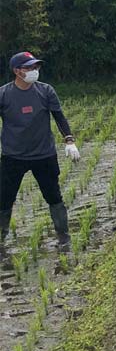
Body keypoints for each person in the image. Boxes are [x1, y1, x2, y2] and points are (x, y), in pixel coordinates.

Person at [0, 52, 81, 252]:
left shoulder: (46, 91)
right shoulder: (4, 94)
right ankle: (1, 240)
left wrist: (69, 140)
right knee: (4, 200)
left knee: (54, 197)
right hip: (13, 156)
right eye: (29, 68)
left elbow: (59, 117)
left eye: (36, 67)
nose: (34, 71)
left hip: (44, 155)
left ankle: (64, 238)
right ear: (17, 71)